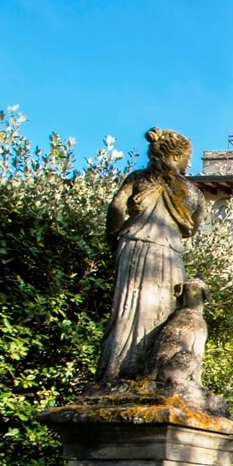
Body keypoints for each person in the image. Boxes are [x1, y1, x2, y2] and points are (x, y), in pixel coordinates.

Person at [97, 128, 206, 383]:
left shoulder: (138, 179)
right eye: (187, 157)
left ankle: (116, 371)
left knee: (127, 311)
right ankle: (150, 372)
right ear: (177, 155)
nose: (189, 163)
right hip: (169, 254)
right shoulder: (191, 191)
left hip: (134, 248)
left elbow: (116, 207)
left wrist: (114, 236)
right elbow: (195, 224)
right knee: (165, 311)